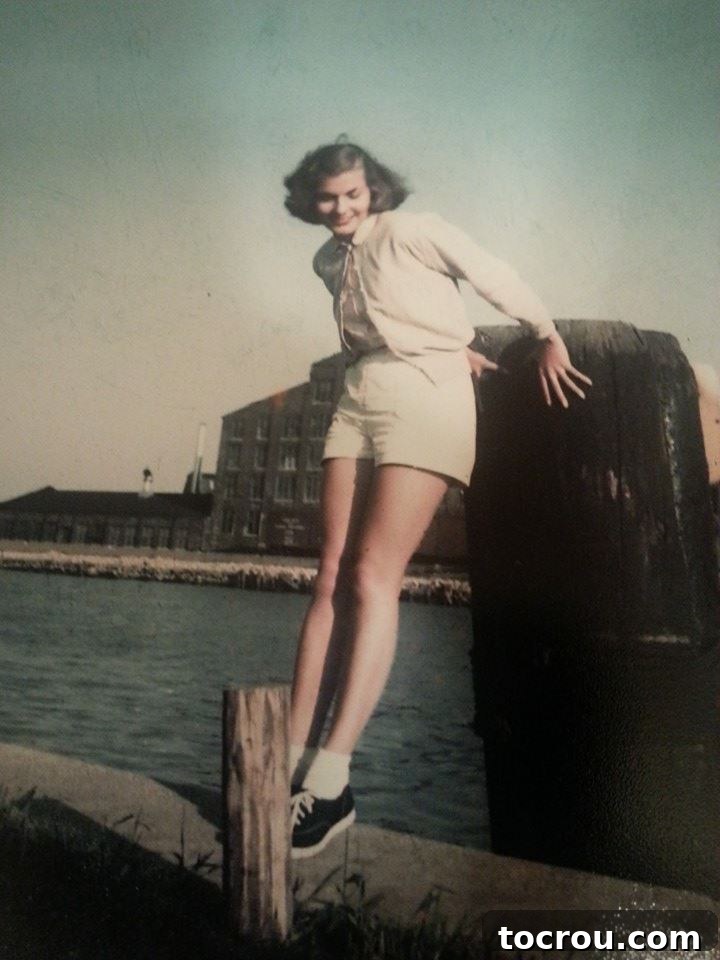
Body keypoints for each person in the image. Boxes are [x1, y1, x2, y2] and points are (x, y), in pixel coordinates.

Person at [282, 141, 591, 859]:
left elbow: (488, 274)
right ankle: (286, 759)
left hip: (428, 400)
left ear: (374, 189)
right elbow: (389, 323)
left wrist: (543, 334)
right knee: (328, 576)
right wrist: (450, 341)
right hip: (358, 396)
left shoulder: (415, 230)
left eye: (354, 193)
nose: (343, 208)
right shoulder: (326, 261)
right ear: (310, 201)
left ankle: (331, 782)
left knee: (372, 577)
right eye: (328, 198)